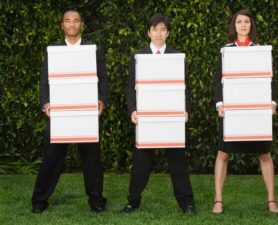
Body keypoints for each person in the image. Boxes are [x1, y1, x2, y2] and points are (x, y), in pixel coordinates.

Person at [32, 10, 109, 213]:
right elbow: (44, 80)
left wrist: (101, 100)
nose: (72, 24)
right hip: (59, 113)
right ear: (62, 25)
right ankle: (39, 201)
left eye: (76, 21)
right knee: (51, 159)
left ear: (81, 24)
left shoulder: (94, 51)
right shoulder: (53, 51)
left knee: (92, 159)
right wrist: (45, 102)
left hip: (86, 113)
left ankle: (96, 201)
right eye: (68, 20)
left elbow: (103, 79)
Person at [121, 14, 195, 214]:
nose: (159, 33)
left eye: (163, 29)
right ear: (148, 32)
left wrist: (186, 110)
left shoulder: (176, 56)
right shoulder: (138, 57)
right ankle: (132, 202)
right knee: (141, 163)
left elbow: (185, 87)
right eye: (155, 29)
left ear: (168, 33)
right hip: (146, 118)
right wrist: (133, 110)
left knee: (178, 161)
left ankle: (187, 203)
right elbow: (130, 87)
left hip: (172, 117)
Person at [212, 10, 278, 214]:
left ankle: (271, 200)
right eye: (239, 21)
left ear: (251, 26)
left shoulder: (260, 50)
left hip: (256, 110)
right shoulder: (225, 50)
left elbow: (269, 79)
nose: (243, 25)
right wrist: (219, 104)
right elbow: (218, 80)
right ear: (234, 26)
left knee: (265, 154)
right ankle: (218, 200)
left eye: (246, 22)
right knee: (223, 154)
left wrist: (272, 103)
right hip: (231, 110)